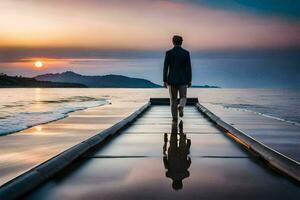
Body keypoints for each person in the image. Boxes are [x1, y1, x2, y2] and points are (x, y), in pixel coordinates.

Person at [163, 35, 192, 122]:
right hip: (183, 79)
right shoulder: (186, 53)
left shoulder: (168, 53)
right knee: (183, 97)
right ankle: (181, 106)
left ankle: (174, 118)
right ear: (181, 42)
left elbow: (165, 67)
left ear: (173, 42)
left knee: (173, 100)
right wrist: (189, 80)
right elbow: (189, 68)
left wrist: (164, 80)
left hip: (171, 80)